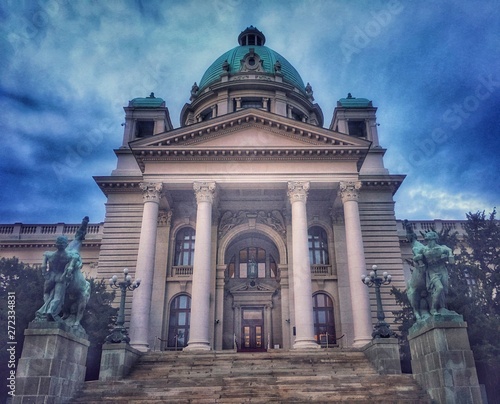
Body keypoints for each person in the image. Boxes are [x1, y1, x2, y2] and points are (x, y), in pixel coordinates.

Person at [35, 235, 82, 322]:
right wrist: (67, 277)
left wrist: (46, 275)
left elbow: (43, 266)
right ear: (66, 245)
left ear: (56, 244)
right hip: (60, 277)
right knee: (57, 297)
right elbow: (70, 269)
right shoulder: (70, 256)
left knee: (46, 293)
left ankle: (44, 310)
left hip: (50, 277)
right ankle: (51, 311)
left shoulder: (48, 254)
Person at [412, 231, 455, 316]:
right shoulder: (424, 249)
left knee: (444, 290)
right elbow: (415, 252)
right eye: (427, 240)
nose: (428, 242)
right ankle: (433, 308)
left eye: (430, 240)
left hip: (442, 270)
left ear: (435, 239)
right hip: (432, 271)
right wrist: (418, 258)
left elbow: (451, 259)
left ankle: (442, 308)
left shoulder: (442, 248)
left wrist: (449, 255)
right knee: (439, 287)